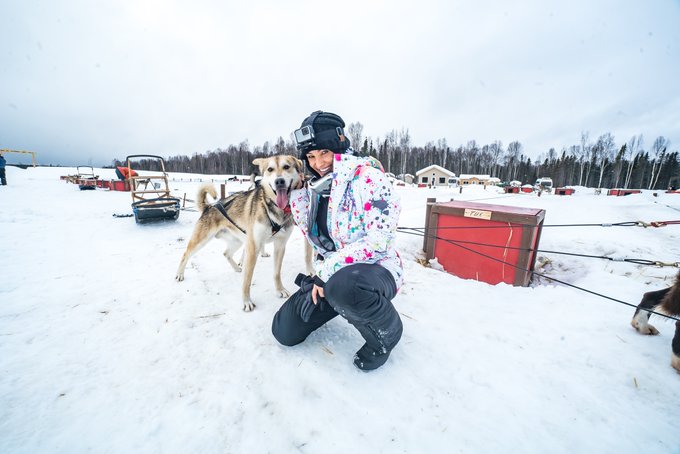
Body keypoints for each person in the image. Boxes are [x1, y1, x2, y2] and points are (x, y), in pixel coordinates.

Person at [271, 111, 404, 371]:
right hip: (331, 273)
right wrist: (295, 193)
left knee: (345, 288)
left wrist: (326, 273)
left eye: (324, 153)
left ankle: (387, 334)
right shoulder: (317, 187)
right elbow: (313, 231)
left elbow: (379, 242)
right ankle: (334, 292)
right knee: (284, 331)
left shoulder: (368, 178)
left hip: (375, 269)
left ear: (339, 148)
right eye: (310, 156)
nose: (318, 162)